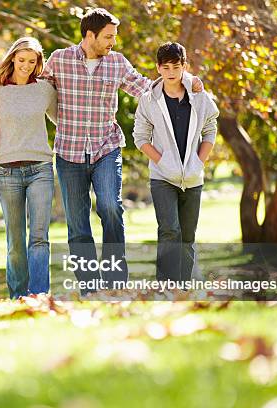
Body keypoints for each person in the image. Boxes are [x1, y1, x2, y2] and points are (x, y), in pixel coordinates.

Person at [41, 8, 203, 292]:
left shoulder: (116, 63)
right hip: (68, 152)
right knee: (78, 225)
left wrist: (186, 81)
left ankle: (115, 282)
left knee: (110, 207)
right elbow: (38, 93)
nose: (113, 42)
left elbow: (147, 88)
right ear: (90, 35)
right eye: (108, 36)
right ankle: (89, 287)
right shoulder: (59, 59)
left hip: (107, 147)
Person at [133, 42, 219, 282]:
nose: (171, 72)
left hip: (193, 177)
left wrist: (199, 161)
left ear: (185, 67)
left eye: (176, 66)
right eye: (166, 67)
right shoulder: (149, 100)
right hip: (162, 177)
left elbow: (211, 127)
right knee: (170, 230)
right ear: (158, 68)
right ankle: (166, 285)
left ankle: (184, 286)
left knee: (188, 235)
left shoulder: (199, 96)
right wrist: (163, 162)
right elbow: (140, 138)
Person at [0, 37, 57, 299]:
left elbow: (65, 119)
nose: (26, 65)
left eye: (32, 61)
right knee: (15, 241)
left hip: (41, 169)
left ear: (39, 63)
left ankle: (39, 295)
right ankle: (17, 296)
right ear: (13, 58)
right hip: (7, 173)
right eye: (22, 59)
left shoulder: (45, 90)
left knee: (39, 236)